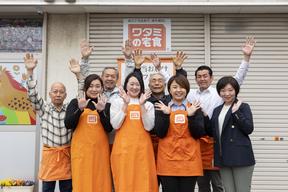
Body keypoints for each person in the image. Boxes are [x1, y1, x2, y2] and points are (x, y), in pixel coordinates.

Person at [186, 37, 256, 192]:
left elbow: (237, 79)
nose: (226, 93)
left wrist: (246, 58)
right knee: (205, 185)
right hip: (207, 145)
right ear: (195, 79)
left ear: (211, 78)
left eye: (206, 76)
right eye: (199, 76)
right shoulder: (191, 95)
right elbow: (176, 89)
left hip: (227, 147)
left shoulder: (225, 97)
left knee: (221, 186)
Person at [24, 53, 72, 192]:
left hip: (66, 155)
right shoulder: (44, 108)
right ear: (50, 94)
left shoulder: (70, 108)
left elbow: (82, 95)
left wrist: (78, 74)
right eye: (55, 91)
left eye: (61, 92)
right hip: (50, 157)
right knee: (47, 189)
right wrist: (30, 72)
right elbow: (32, 95)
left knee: (67, 189)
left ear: (65, 95)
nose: (58, 94)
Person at [154, 75, 206, 192]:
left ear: (187, 90)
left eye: (182, 87)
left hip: (189, 162)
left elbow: (198, 134)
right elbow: (160, 133)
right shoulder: (162, 107)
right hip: (167, 162)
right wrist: (166, 115)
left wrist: (191, 116)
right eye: (175, 87)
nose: (178, 90)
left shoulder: (195, 108)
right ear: (169, 90)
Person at [110, 72, 158, 192]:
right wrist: (125, 104)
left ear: (141, 87)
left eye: (137, 84)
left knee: (143, 181)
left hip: (143, 151)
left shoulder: (148, 104)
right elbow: (116, 124)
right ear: (126, 86)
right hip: (123, 150)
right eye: (131, 84)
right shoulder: (117, 102)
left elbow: (148, 127)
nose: (134, 87)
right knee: (124, 182)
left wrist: (142, 106)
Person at [206, 76, 255, 192]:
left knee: (242, 190)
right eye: (223, 90)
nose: (226, 93)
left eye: (230, 90)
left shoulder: (243, 107)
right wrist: (203, 116)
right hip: (223, 158)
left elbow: (249, 129)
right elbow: (212, 132)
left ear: (236, 91)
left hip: (241, 157)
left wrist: (236, 112)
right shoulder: (217, 109)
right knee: (228, 190)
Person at [64, 74, 113, 192]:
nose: (94, 89)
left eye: (97, 86)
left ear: (102, 89)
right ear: (85, 88)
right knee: (82, 182)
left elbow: (109, 128)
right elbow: (68, 124)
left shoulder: (106, 105)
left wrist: (101, 111)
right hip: (81, 153)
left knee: (100, 182)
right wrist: (79, 109)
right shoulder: (76, 102)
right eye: (91, 86)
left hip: (100, 154)